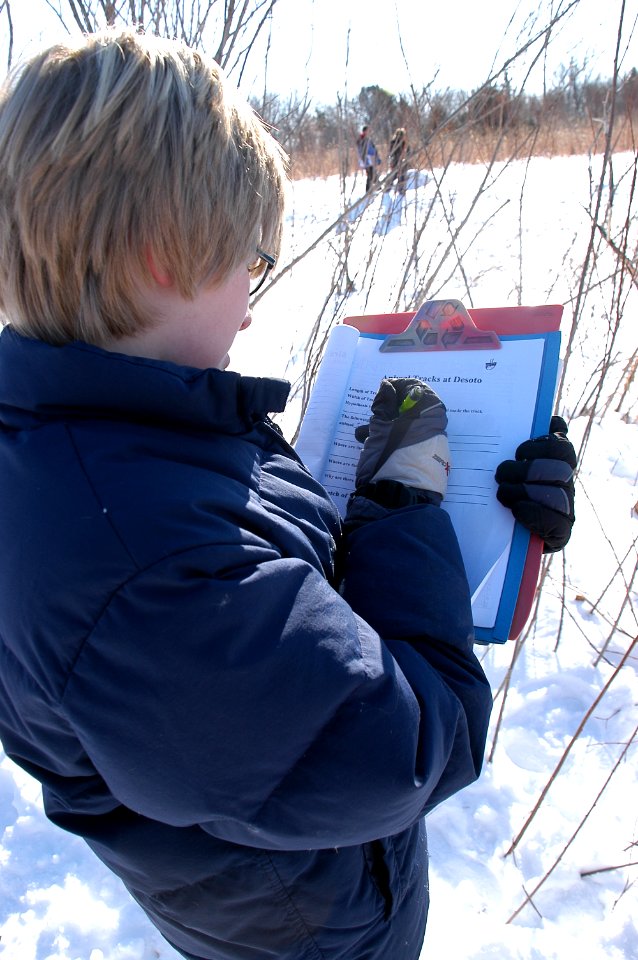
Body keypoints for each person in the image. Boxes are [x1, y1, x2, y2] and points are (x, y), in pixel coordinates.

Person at [0, 30, 576, 960]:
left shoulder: (114, 427)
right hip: (318, 933)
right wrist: (408, 512)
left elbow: (288, 582)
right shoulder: (148, 579)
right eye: (251, 262)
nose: (255, 304)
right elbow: (410, 742)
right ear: (160, 253)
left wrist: (496, 535)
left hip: (294, 889)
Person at [356, 123, 381, 192]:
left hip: (370, 159)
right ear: (364, 131)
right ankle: (371, 189)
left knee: (373, 173)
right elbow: (362, 150)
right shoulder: (362, 140)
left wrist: (377, 157)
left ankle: (377, 187)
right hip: (366, 160)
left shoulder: (368, 139)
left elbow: (373, 149)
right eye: (367, 131)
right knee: (371, 174)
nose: (368, 132)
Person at [388, 126, 409, 194]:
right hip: (399, 159)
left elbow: (390, 151)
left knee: (393, 174)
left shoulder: (392, 142)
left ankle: (388, 187)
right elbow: (404, 151)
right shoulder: (402, 142)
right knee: (401, 174)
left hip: (393, 159)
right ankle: (401, 189)